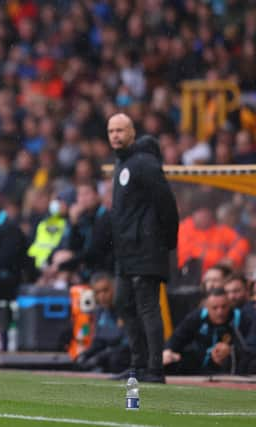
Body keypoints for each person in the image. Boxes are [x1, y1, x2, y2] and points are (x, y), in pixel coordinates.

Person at [108, 113, 179, 383]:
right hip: (127, 251)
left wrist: (166, 242)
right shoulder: (123, 164)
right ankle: (137, 365)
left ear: (132, 132)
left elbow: (167, 205)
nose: (115, 135)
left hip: (146, 249)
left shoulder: (145, 163)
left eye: (120, 130)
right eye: (111, 131)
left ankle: (154, 369)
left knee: (147, 305)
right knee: (124, 303)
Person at [163, 288, 255, 375]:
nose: (220, 312)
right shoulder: (197, 317)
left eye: (224, 307)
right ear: (206, 307)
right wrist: (168, 351)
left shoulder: (241, 318)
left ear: (229, 304)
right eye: (215, 308)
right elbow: (176, 338)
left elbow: (251, 347)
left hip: (233, 366)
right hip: (201, 365)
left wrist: (231, 351)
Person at [75, 272, 129, 373]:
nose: (102, 296)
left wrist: (102, 356)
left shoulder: (126, 310)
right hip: (108, 355)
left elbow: (127, 343)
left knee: (114, 359)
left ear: (114, 288)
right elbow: (98, 342)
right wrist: (85, 355)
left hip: (123, 356)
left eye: (105, 290)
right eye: (97, 292)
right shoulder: (99, 312)